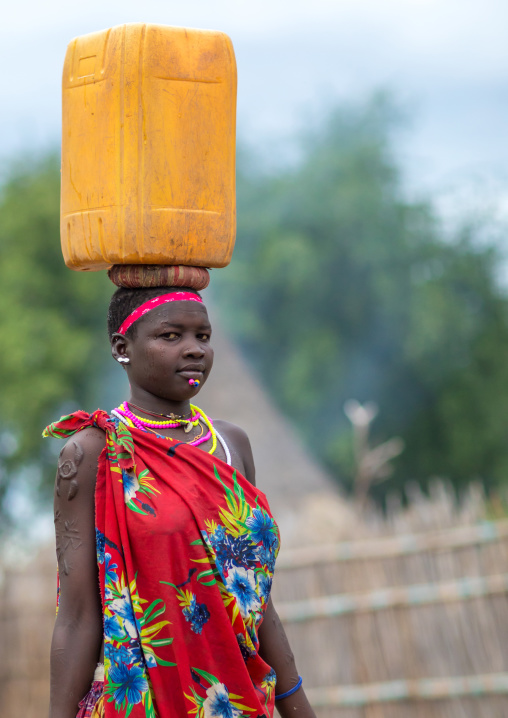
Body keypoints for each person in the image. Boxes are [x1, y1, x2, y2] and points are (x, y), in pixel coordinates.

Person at [46, 286, 316, 718]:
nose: (194, 350)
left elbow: (254, 601)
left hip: (239, 700)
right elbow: (77, 614)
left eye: (203, 337)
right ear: (122, 347)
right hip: (141, 701)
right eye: (171, 336)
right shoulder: (94, 452)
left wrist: (298, 708)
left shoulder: (231, 445)